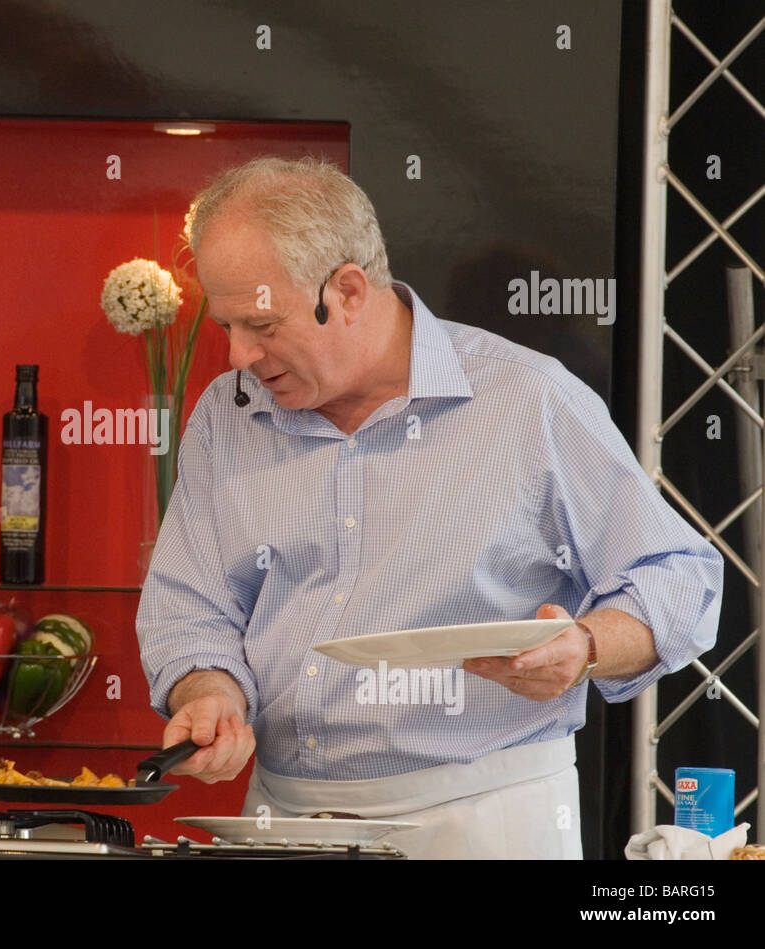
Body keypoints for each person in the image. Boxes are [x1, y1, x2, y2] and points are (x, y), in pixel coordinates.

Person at [136, 156, 723, 858]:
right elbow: (189, 609)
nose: (237, 356)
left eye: (261, 323)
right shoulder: (224, 419)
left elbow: (680, 576)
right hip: (280, 822)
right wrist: (209, 693)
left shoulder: (528, 400)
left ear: (348, 290)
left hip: (484, 821)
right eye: (227, 325)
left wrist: (588, 646)